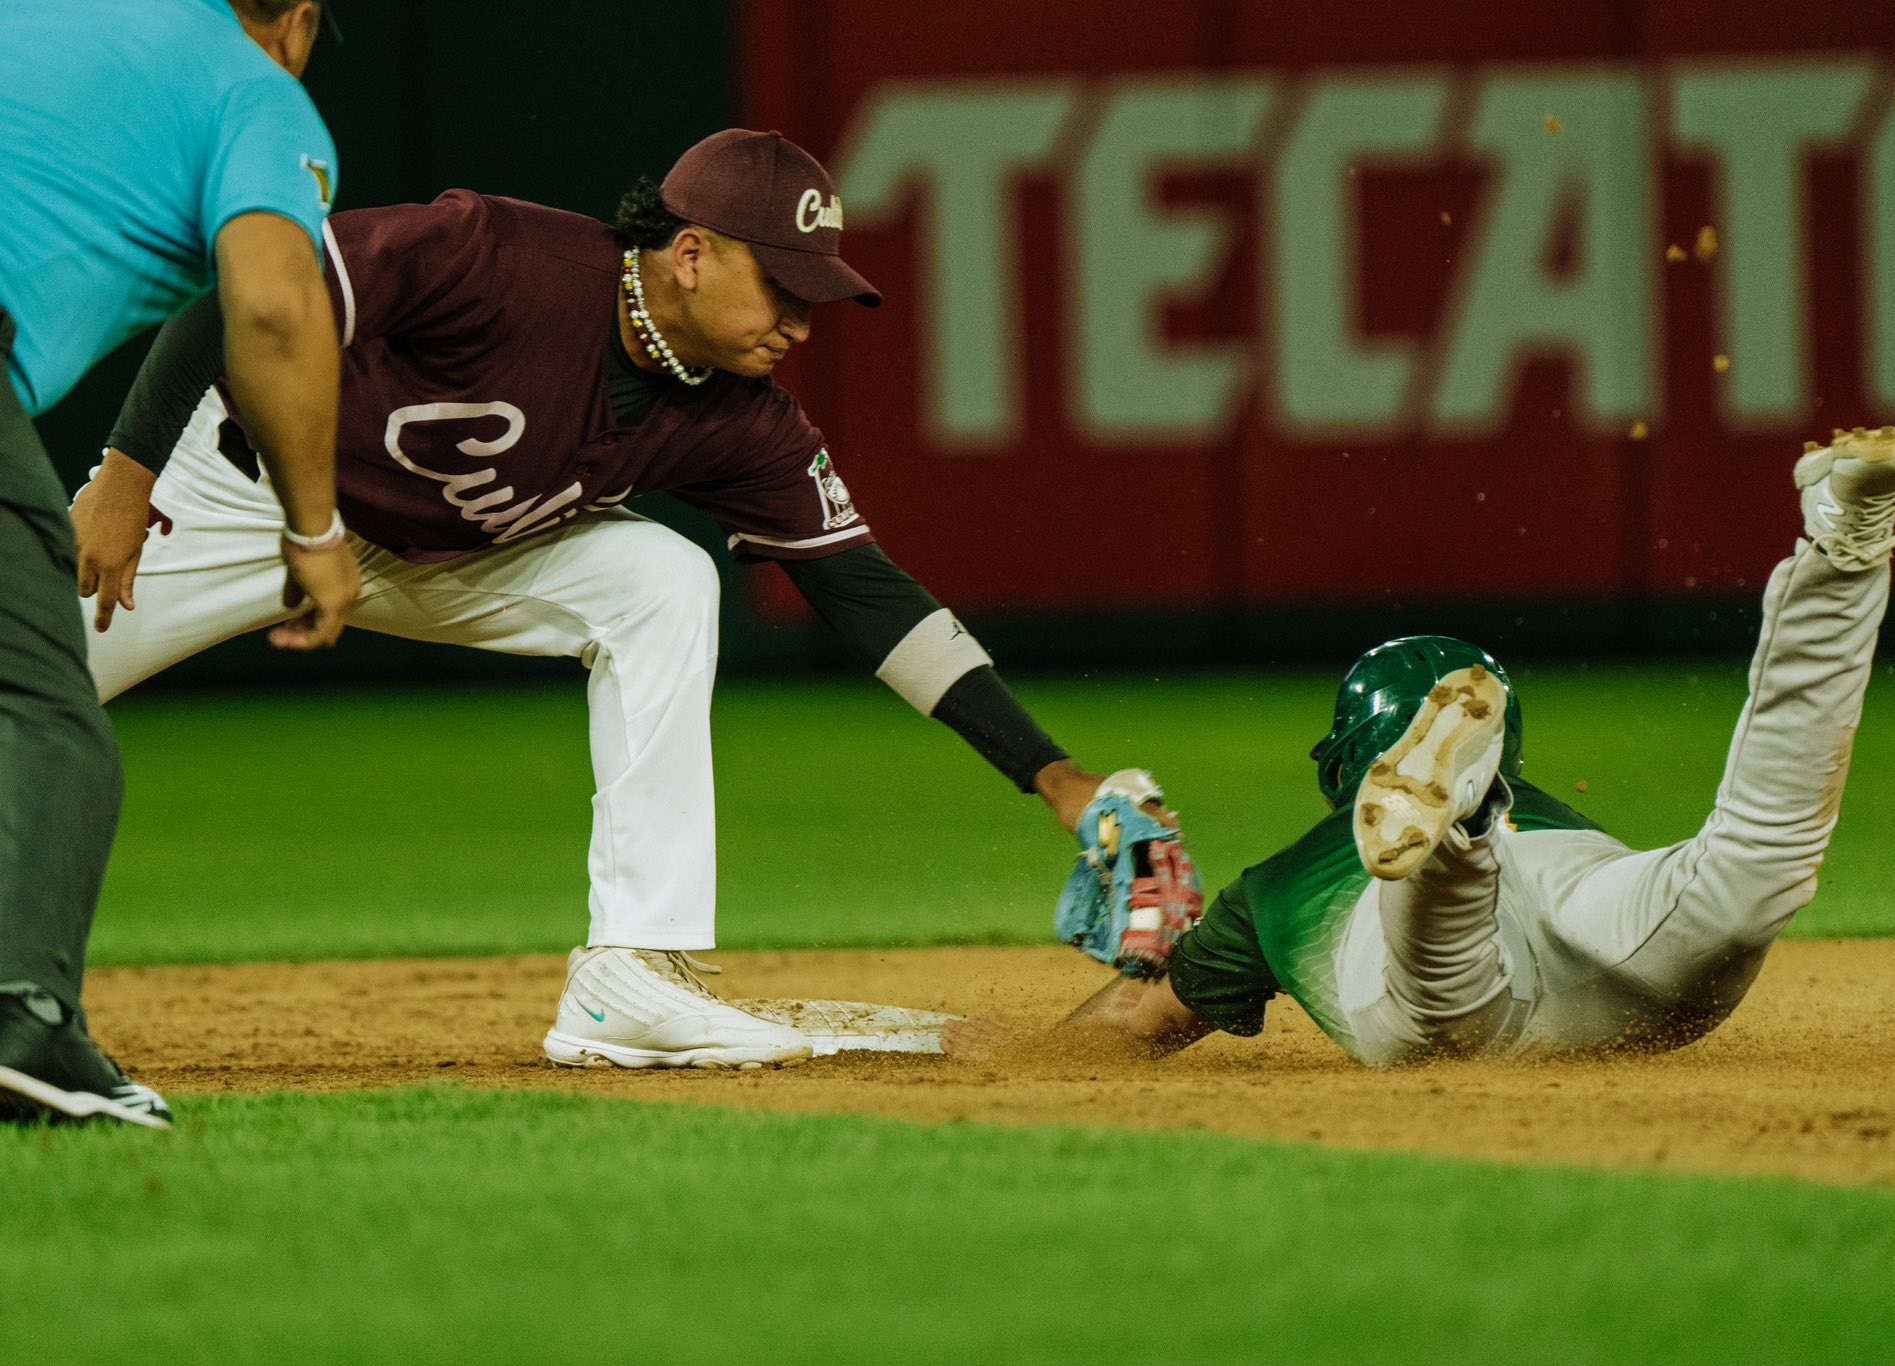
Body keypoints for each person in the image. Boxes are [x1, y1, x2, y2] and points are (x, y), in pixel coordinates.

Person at [68, 128, 1153, 1072]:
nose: (802, 323)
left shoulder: (744, 419)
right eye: (782, 287)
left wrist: (1051, 774)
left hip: (457, 558)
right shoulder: (494, 254)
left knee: (664, 578)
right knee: (30, 677)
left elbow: (863, 591)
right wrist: (129, 469)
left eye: (813, 294)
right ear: (689, 254)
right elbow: (250, 290)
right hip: (237, 489)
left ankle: (628, 975)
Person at [1043, 422, 1895, 1068]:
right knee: (1753, 867)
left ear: (1348, 759)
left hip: (1445, 1000)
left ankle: (1451, 838)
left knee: (1440, 994)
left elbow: (1135, 1023)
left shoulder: (1269, 894)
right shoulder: (1543, 799)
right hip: (1611, 936)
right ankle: (1841, 557)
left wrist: (1019, 1058)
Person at [0, 0, 358, 1129]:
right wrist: (311, 527)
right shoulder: (258, 96)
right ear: (294, 21)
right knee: (48, 721)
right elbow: (266, 300)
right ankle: (24, 1027)